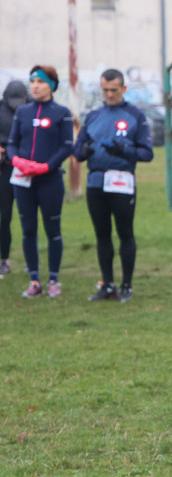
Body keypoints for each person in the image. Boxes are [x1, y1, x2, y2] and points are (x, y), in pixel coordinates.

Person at [73, 68, 154, 303]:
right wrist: (83, 151)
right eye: (105, 90)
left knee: (125, 233)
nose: (109, 94)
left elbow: (147, 153)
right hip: (96, 182)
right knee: (102, 234)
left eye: (113, 90)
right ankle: (107, 284)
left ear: (123, 89)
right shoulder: (94, 116)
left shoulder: (135, 116)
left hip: (121, 181)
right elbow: (77, 151)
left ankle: (126, 285)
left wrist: (124, 150)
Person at [7, 66, 73, 298]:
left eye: (40, 81)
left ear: (51, 85)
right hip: (23, 180)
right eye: (32, 81)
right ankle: (34, 280)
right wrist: (16, 160)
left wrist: (46, 166)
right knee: (28, 230)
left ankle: (53, 279)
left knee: (52, 230)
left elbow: (67, 146)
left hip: (50, 181)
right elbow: (13, 142)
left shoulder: (61, 112)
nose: (35, 85)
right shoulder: (22, 112)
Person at [0, 79, 28, 277]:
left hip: (26, 168)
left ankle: (30, 260)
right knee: (4, 216)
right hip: (5, 169)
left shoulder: (32, 110)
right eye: (12, 100)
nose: (16, 104)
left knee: (28, 217)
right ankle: (4, 260)